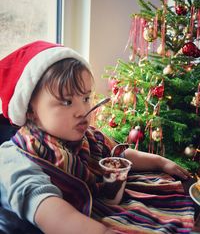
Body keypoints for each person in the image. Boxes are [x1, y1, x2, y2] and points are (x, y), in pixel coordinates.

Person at [0, 41, 195, 234]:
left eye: (85, 98)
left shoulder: (88, 137)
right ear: (31, 111)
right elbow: (51, 213)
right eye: (67, 102)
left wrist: (160, 162)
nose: (82, 110)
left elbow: (120, 155)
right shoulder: (16, 156)